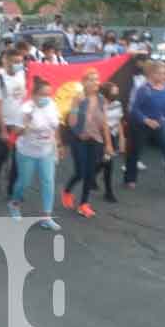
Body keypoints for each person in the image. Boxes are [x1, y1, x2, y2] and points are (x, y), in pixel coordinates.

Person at [125, 61, 165, 196]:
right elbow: (134, 109)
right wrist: (146, 120)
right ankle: (130, 178)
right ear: (153, 74)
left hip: (160, 124)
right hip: (141, 125)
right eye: (162, 73)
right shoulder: (144, 90)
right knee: (135, 152)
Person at [7, 78, 62, 230]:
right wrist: (25, 123)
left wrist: (58, 144)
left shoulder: (52, 105)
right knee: (24, 182)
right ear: (34, 94)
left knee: (48, 182)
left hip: (46, 151)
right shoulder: (25, 109)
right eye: (43, 94)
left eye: (48, 94)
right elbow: (15, 133)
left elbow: (55, 126)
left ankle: (46, 217)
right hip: (27, 152)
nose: (46, 98)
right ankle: (14, 203)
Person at [62, 69, 114, 218]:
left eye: (97, 79)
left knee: (90, 174)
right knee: (80, 172)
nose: (95, 82)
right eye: (91, 79)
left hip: (95, 140)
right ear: (84, 82)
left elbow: (104, 123)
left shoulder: (101, 100)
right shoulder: (78, 98)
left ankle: (84, 204)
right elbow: (71, 122)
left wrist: (108, 144)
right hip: (79, 139)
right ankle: (67, 191)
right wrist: (79, 131)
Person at [0, 49, 26, 195]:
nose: (18, 65)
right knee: (2, 155)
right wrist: (3, 130)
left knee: (18, 159)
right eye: (15, 62)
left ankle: (12, 190)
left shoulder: (23, 74)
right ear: (6, 61)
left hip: (19, 125)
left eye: (20, 61)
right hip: (3, 124)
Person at [97, 82, 124, 203]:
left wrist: (122, 137)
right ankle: (108, 192)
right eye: (114, 92)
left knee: (106, 162)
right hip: (101, 137)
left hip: (112, 136)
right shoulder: (99, 106)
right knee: (108, 163)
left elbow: (118, 121)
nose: (116, 94)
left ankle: (92, 176)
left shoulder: (117, 104)